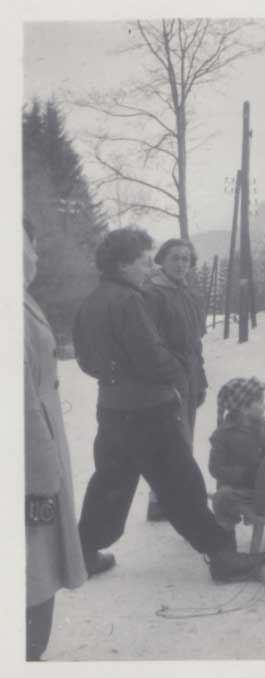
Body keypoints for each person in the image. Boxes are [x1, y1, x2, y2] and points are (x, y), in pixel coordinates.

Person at [73, 227, 265, 582]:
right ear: (122, 264)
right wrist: (178, 371)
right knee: (182, 482)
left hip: (112, 408)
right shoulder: (130, 300)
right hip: (148, 410)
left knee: (110, 482)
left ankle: (83, 552)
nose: (149, 269)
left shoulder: (93, 300)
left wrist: (113, 375)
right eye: (144, 262)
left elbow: (84, 360)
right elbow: (152, 355)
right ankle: (222, 557)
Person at [23, 219, 87, 660]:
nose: (37, 256)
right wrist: (43, 478)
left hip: (39, 440)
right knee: (36, 564)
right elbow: (20, 407)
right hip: (29, 458)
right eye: (30, 246)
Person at [143, 238, 208, 522]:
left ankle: (167, 500)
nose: (181, 264)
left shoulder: (190, 294)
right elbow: (150, 342)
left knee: (185, 438)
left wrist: (200, 375)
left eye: (186, 258)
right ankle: (165, 502)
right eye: (175, 258)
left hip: (190, 374)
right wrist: (165, 379)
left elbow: (196, 341)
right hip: (168, 377)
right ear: (161, 260)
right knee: (170, 441)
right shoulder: (152, 293)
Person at [208, 378, 265, 530]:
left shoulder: (264, 427)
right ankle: (225, 540)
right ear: (244, 408)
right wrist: (243, 474)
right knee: (223, 497)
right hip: (238, 491)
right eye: (260, 402)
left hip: (262, 488)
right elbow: (215, 468)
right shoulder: (223, 434)